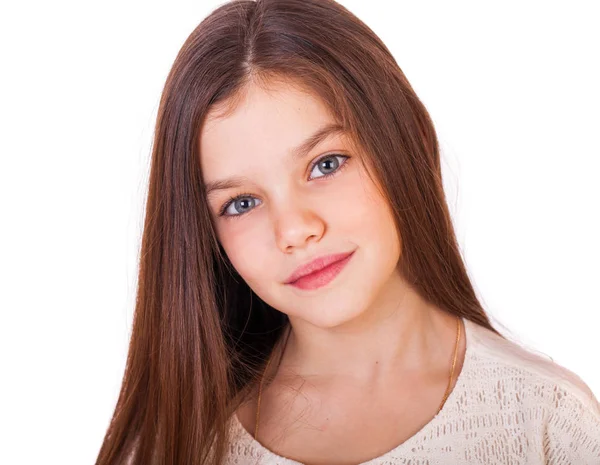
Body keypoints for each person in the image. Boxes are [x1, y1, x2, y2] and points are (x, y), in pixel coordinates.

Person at [95, 0, 600, 464]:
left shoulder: (546, 422)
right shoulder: (173, 443)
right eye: (241, 202)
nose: (294, 229)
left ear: (408, 142)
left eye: (326, 164)